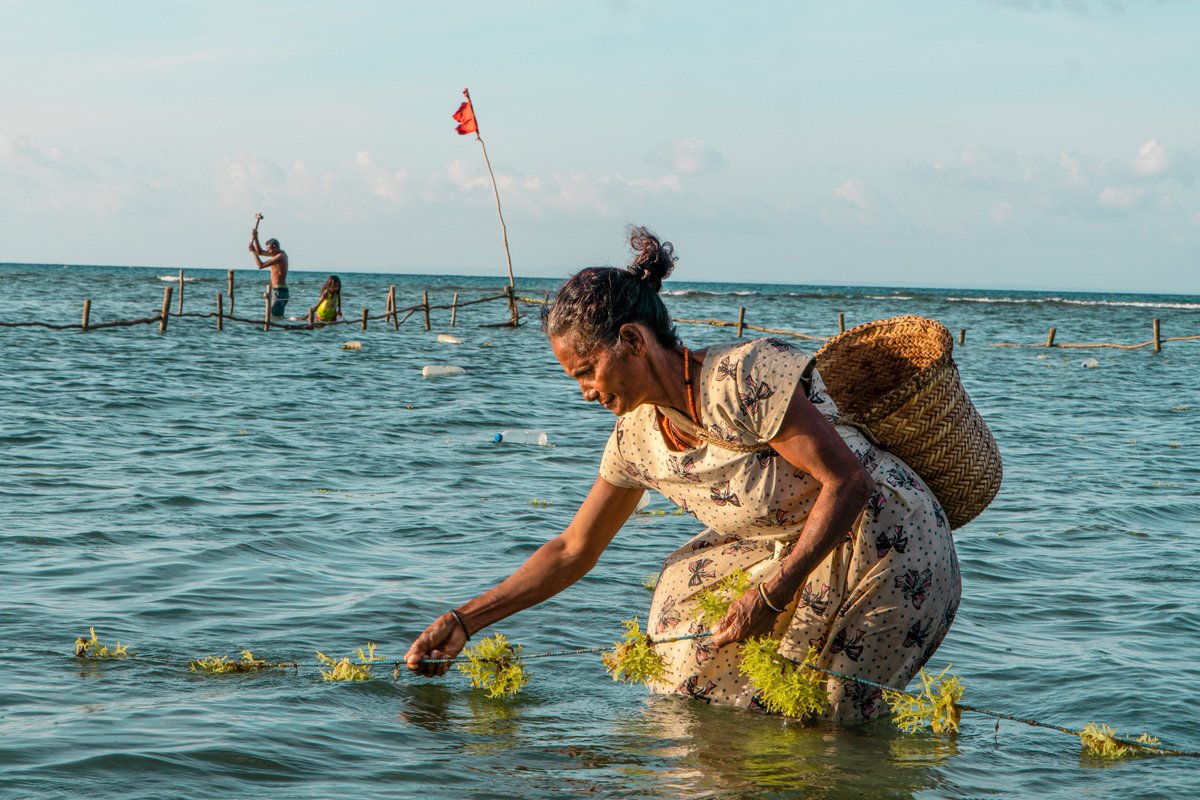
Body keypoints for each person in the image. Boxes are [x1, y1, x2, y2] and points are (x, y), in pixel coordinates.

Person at [405, 226, 961, 722]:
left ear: (632, 340)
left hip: (888, 541)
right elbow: (575, 549)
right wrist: (466, 619)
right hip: (790, 546)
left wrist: (770, 596)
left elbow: (850, 483)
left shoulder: (744, 379)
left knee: (828, 727)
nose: (587, 394)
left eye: (587, 373)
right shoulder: (635, 440)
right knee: (695, 647)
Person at [249, 229, 289, 318]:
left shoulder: (280, 256)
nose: (269, 252)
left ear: (275, 247)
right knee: (275, 315)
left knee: (275, 316)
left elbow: (260, 265)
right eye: (268, 249)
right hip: (279, 290)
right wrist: (255, 237)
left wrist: (253, 252)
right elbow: (260, 252)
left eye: (270, 249)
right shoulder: (276, 253)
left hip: (280, 291)